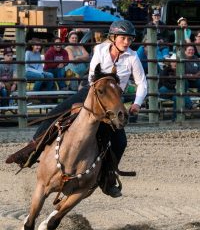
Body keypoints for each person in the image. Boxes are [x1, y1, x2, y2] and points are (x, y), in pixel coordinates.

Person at [6, 20, 147, 198]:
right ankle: (32, 150)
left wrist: (137, 103)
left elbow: (142, 84)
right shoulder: (100, 50)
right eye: (123, 38)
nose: (126, 42)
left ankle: (108, 177)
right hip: (93, 93)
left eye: (129, 39)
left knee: (120, 142)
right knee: (56, 113)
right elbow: (91, 77)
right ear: (113, 38)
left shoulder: (133, 58)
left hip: (113, 102)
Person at [159, 53, 193, 121]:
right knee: (164, 89)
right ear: (170, 63)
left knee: (176, 97)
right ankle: (189, 104)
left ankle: (174, 118)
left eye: (176, 62)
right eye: (173, 61)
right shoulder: (165, 70)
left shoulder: (181, 71)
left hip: (176, 92)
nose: (175, 63)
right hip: (165, 90)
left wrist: (178, 88)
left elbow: (185, 85)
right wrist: (174, 86)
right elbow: (164, 83)